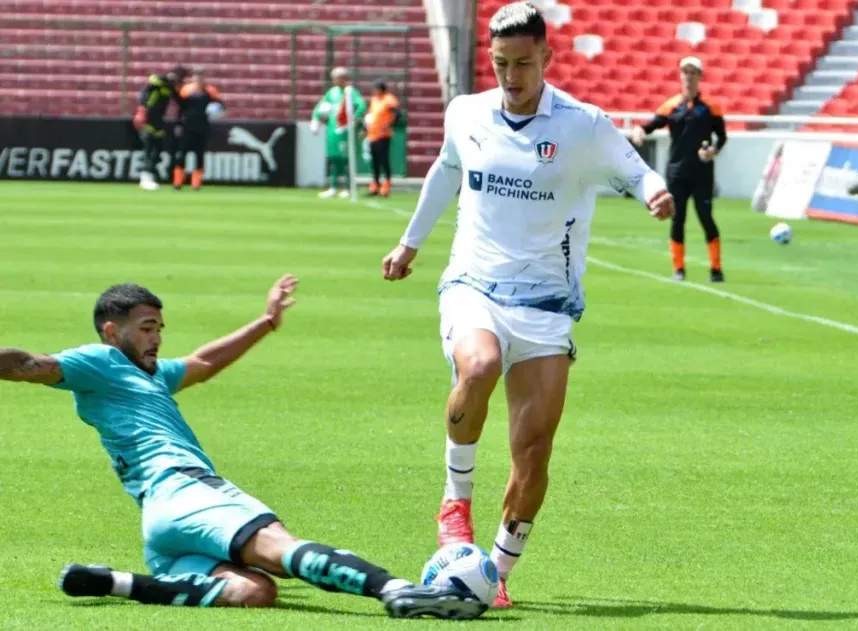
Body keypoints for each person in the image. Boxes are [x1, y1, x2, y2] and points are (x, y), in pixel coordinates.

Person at [380, 1, 674, 609]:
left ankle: (495, 572)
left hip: (547, 302)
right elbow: (446, 170)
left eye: (522, 63)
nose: (510, 76)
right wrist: (410, 243)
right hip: (474, 285)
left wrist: (656, 192)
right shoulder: (467, 112)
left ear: (547, 57)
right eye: (499, 63)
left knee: (534, 449)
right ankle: (454, 507)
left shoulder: (582, 124)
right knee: (479, 366)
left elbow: (634, 168)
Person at [0, 278, 484, 619]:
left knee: (254, 592)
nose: (156, 337)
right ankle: (397, 590)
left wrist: (266, 322)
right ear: (111, 330)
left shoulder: (149, 376)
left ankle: (118, 583)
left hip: (161, 523)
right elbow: (31, 364)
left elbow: (203, 362)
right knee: (279, 550)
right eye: (146, 327)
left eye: (159, 327)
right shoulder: (100, 361)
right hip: (187, 490)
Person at [631, 56, 727, 282]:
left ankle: (716, 268)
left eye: (693, 72)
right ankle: (679, 268)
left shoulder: (711, 107)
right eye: (685, 72)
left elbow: (722, 136)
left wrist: (712, 150)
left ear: (699, 77)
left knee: (706, 218)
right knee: (677, 219)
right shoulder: (671, 105)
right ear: (680, 76)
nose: (688, 77)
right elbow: (651, 125)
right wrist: (640, 131)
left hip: (702, 172)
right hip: (677, 172)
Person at [311, 67, 367, 199]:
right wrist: (315, 119)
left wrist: (354, 117)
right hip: (332, 130)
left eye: (338, 78)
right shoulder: (332, 92)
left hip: (346, 131)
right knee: (334, 158)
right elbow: (320, 106)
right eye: (334, 78)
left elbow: (362, 105)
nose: (335, 80)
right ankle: (333, 187)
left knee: (347, 159)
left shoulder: (350, 92)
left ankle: (348, 188)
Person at [134, 65, 188, 191]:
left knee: (157, 150)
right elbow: (145, 92)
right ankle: (145, 178)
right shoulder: (159, 80)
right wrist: (141, 110)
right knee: (149, 149)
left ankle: (150, 175)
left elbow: (180, 101)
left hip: (158, 121)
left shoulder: (170, 87)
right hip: (147, 119)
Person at [173, 67, 225, 191]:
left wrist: (217, 110)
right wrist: (178, 124)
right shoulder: (186, 90)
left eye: (201, 75)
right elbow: (180, 109)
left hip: (202, 127)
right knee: (181, 154)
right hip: (187, 126)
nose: (198, 77)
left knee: (199, 155)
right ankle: (177, 182)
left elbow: (221, 105)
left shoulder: (210, 91)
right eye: (196, 75)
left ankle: (196, 183)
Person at [365, 80, 402, 197]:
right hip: (373, 134)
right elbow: (371, 115)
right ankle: (375, 184)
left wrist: (390, 124)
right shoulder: (374, 100)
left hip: (383, 135)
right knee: (374, 161)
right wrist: (365, 129)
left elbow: (398, 113)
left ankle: (386, 184)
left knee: (384, 160)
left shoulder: (388, 99)